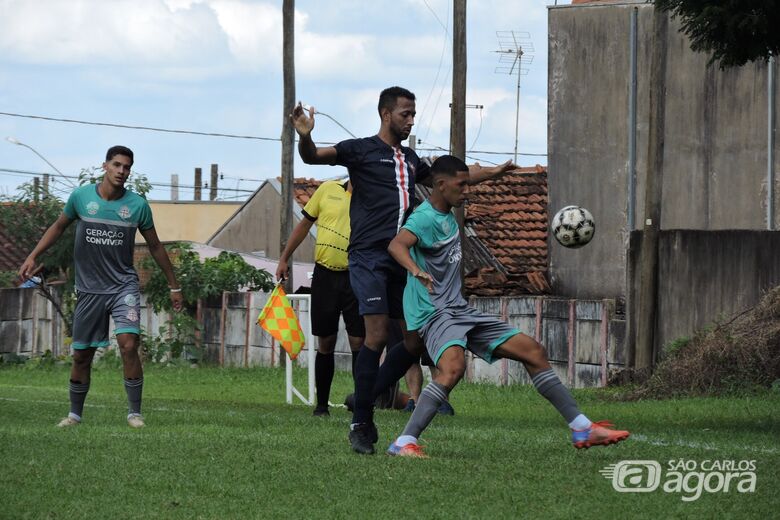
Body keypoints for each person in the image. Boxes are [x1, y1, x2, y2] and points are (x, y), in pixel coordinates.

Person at [291, 86, 515, 454]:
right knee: (377, 334)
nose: (411, 120)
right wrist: (305, 135)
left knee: (413, 341)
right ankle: (362, 423)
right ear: (385, 114)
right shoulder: (360, 150)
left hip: (404, 259)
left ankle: (367, 394)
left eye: (413, 115)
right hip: (367, 257)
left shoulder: (411, 160)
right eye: (404, 114)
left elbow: (455, 176)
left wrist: (493, 172)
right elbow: (314, 156)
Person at [385, 155, 630, 457]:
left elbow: (468, 176)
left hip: (459, 309)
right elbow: (396, 245)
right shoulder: (424, 218)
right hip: (435, 311)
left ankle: (581, 427)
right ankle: (404, 441)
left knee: (533, 351)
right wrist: (415, 269)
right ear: (440, 185)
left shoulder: (447, 201)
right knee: (453, 368)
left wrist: (496, 172)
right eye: (461, 186)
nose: (468, 190)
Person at [18, 145, 183, 429]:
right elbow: (58, 227)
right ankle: (74, 415)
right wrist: (33, 255)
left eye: (127, 167)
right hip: (89, 289)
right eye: (117, 165)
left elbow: (155, 246)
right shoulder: (81, 198)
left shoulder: (138, 206)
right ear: (105, 166)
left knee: (129, 344)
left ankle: (134, 414)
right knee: (82, 354)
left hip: (123, 286)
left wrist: (174, 286)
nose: (122, 171)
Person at [276, 178, 365, 416]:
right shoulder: (327, 190)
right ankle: (322, 405)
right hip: (325, 275)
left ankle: (361, 403)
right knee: (325, 341)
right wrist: (285, 258)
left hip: (356, 275)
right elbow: (304, 225)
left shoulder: (372, 196)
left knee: (359, 341)